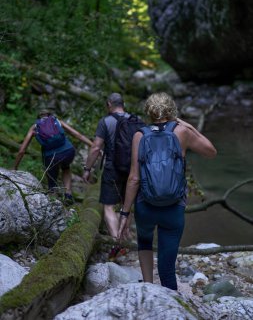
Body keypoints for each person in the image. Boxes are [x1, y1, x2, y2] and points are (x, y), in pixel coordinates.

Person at [117, 92, 217, 290]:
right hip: (173, 208)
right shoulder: (182, 132)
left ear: (149, 111)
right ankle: (170, 301)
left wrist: (125, 213)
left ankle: (147, 288)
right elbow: (211, 152)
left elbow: (134, 177)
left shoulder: (140, 135)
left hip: (145, 206)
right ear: (172, 110)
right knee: (167, 266)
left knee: (144, 242)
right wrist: (185, 124)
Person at [82, 93, 137, 258]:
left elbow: (96, 148)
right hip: (132, 169)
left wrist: (87, 168)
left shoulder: (105, 121)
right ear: (123, 104)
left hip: (112, 168)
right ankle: (126, 237)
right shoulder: (134, 120)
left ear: (109, 104)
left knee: (108, 206)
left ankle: (116, 242)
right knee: (125, 205)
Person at [14, 109, 93, 204]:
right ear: (49, 115)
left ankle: (54, 201)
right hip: (68, 152)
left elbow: (22, 151)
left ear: (38, 118)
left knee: (52, 181)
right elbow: (77, 135)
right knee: (66, 168)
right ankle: (68, 194)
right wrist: (93, 145)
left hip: (50, 157)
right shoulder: (57, 121)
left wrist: (14, 167)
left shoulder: (35, 127)